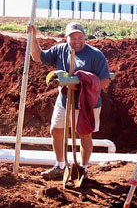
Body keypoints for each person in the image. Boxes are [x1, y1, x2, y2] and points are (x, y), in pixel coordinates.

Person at [27, 22, 110, 180]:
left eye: (80, 37)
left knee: (84, 135)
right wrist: (32, 37)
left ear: (85, 37)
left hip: (87, 104)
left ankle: (83, 169)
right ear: (66, 38)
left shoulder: (95, 54)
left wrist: (81, 83)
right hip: (64, 101)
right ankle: (60, 165)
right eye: (72, 38)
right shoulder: (60, 49)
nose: (77, 41)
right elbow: (38, 57)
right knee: (56, 130)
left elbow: (105, 81)